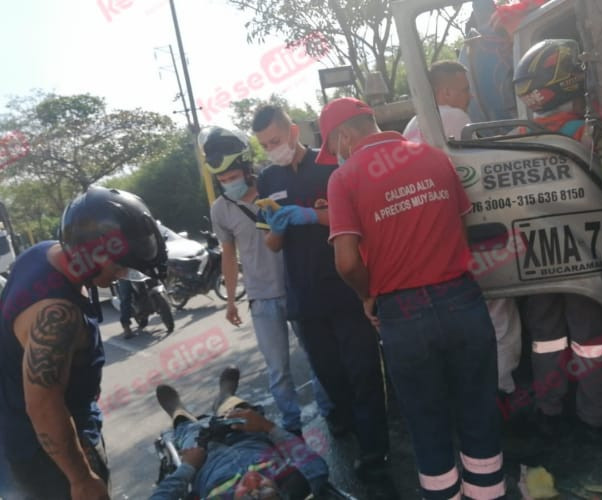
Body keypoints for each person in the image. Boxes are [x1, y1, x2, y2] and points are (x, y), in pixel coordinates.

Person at [321, 98, 506, 499]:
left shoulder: (344, 179)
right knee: (479, 414)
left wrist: (368, 295)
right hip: (462, 299)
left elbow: (346, 262)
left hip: (403, 315)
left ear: (345, 137)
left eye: (334, 147)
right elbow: (460, 228)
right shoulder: (435, 157)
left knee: (427, 425)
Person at [0, 186, 168, 499]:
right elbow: (43, 406)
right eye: (118, 266)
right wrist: (80, 478)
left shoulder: (45, 253)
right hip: (49, 455)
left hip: (32, 430)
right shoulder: (56, 313)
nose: (120, 275)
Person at [252, 106, 390, 480]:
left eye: (276, 141)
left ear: (294, 131)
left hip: (347, 289)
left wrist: (312, 215)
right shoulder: (267, 179)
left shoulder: (331, 165)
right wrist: (278, 226)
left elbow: (360, 215)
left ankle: (375, 448)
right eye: (264, 145)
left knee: (362, 370)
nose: (271, 149)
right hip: (305, 298)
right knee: (330, 376)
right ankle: (348, 424)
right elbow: (272, 243)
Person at [403, 60, 524, 399]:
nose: (470, 96)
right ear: (444, 93)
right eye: (465, 89)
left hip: (430, 245)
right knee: (500, 313)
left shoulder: (413, 125)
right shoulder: (453, 117)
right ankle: (504, 390)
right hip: (472, 233)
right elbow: (487, 164)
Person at [201, 127, 332, 436]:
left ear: (246, 169)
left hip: (297, 286)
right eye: (222, 179)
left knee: (317, 358)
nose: (228, 183)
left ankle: (331, 412)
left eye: (233, 176)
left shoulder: (271, 188)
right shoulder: (220, 210)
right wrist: (231, 299)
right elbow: (229, 255)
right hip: (262, 297)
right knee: (278, 371)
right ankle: (290, 428)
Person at [513, 39, 602, 433]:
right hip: (583, 252)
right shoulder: (589, 134)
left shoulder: (516, 137)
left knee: (545, 337)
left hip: (536, 255)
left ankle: (550, 411)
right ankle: (596, 418)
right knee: (589, 338)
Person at [150, 366, 328, 500]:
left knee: (186, 428)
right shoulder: (308, 480)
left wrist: (187, 467)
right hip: (248, 437)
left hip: (203, 457)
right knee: (242, 411)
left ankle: (178, 412)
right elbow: (314, 465)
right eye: (264, 491)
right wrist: (267, 426)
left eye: (249, 496)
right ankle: (225, 398)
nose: (252, 481)